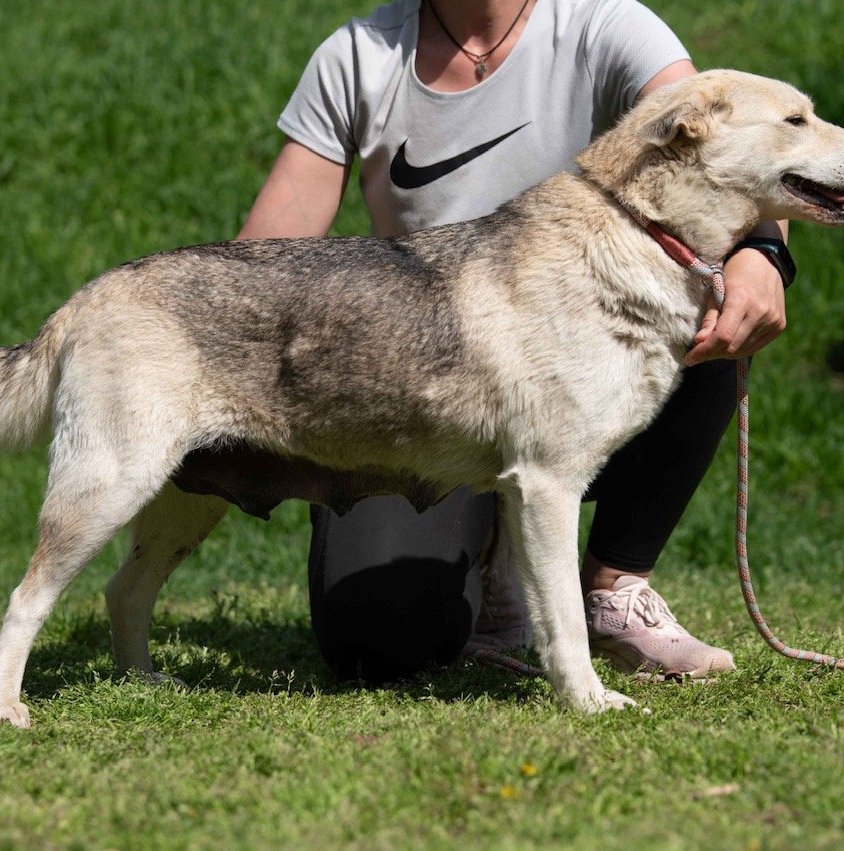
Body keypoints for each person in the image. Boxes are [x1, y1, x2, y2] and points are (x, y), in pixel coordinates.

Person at [237, 0, 791, 682]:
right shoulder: (359, 55)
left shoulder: (606, 25)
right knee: (377, 639)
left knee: (713, 304)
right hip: (429, 384)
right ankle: (496, 548)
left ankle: (614, 587)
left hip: (593, 346)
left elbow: (740, 139)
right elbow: (263, 262)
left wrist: (764, 255)